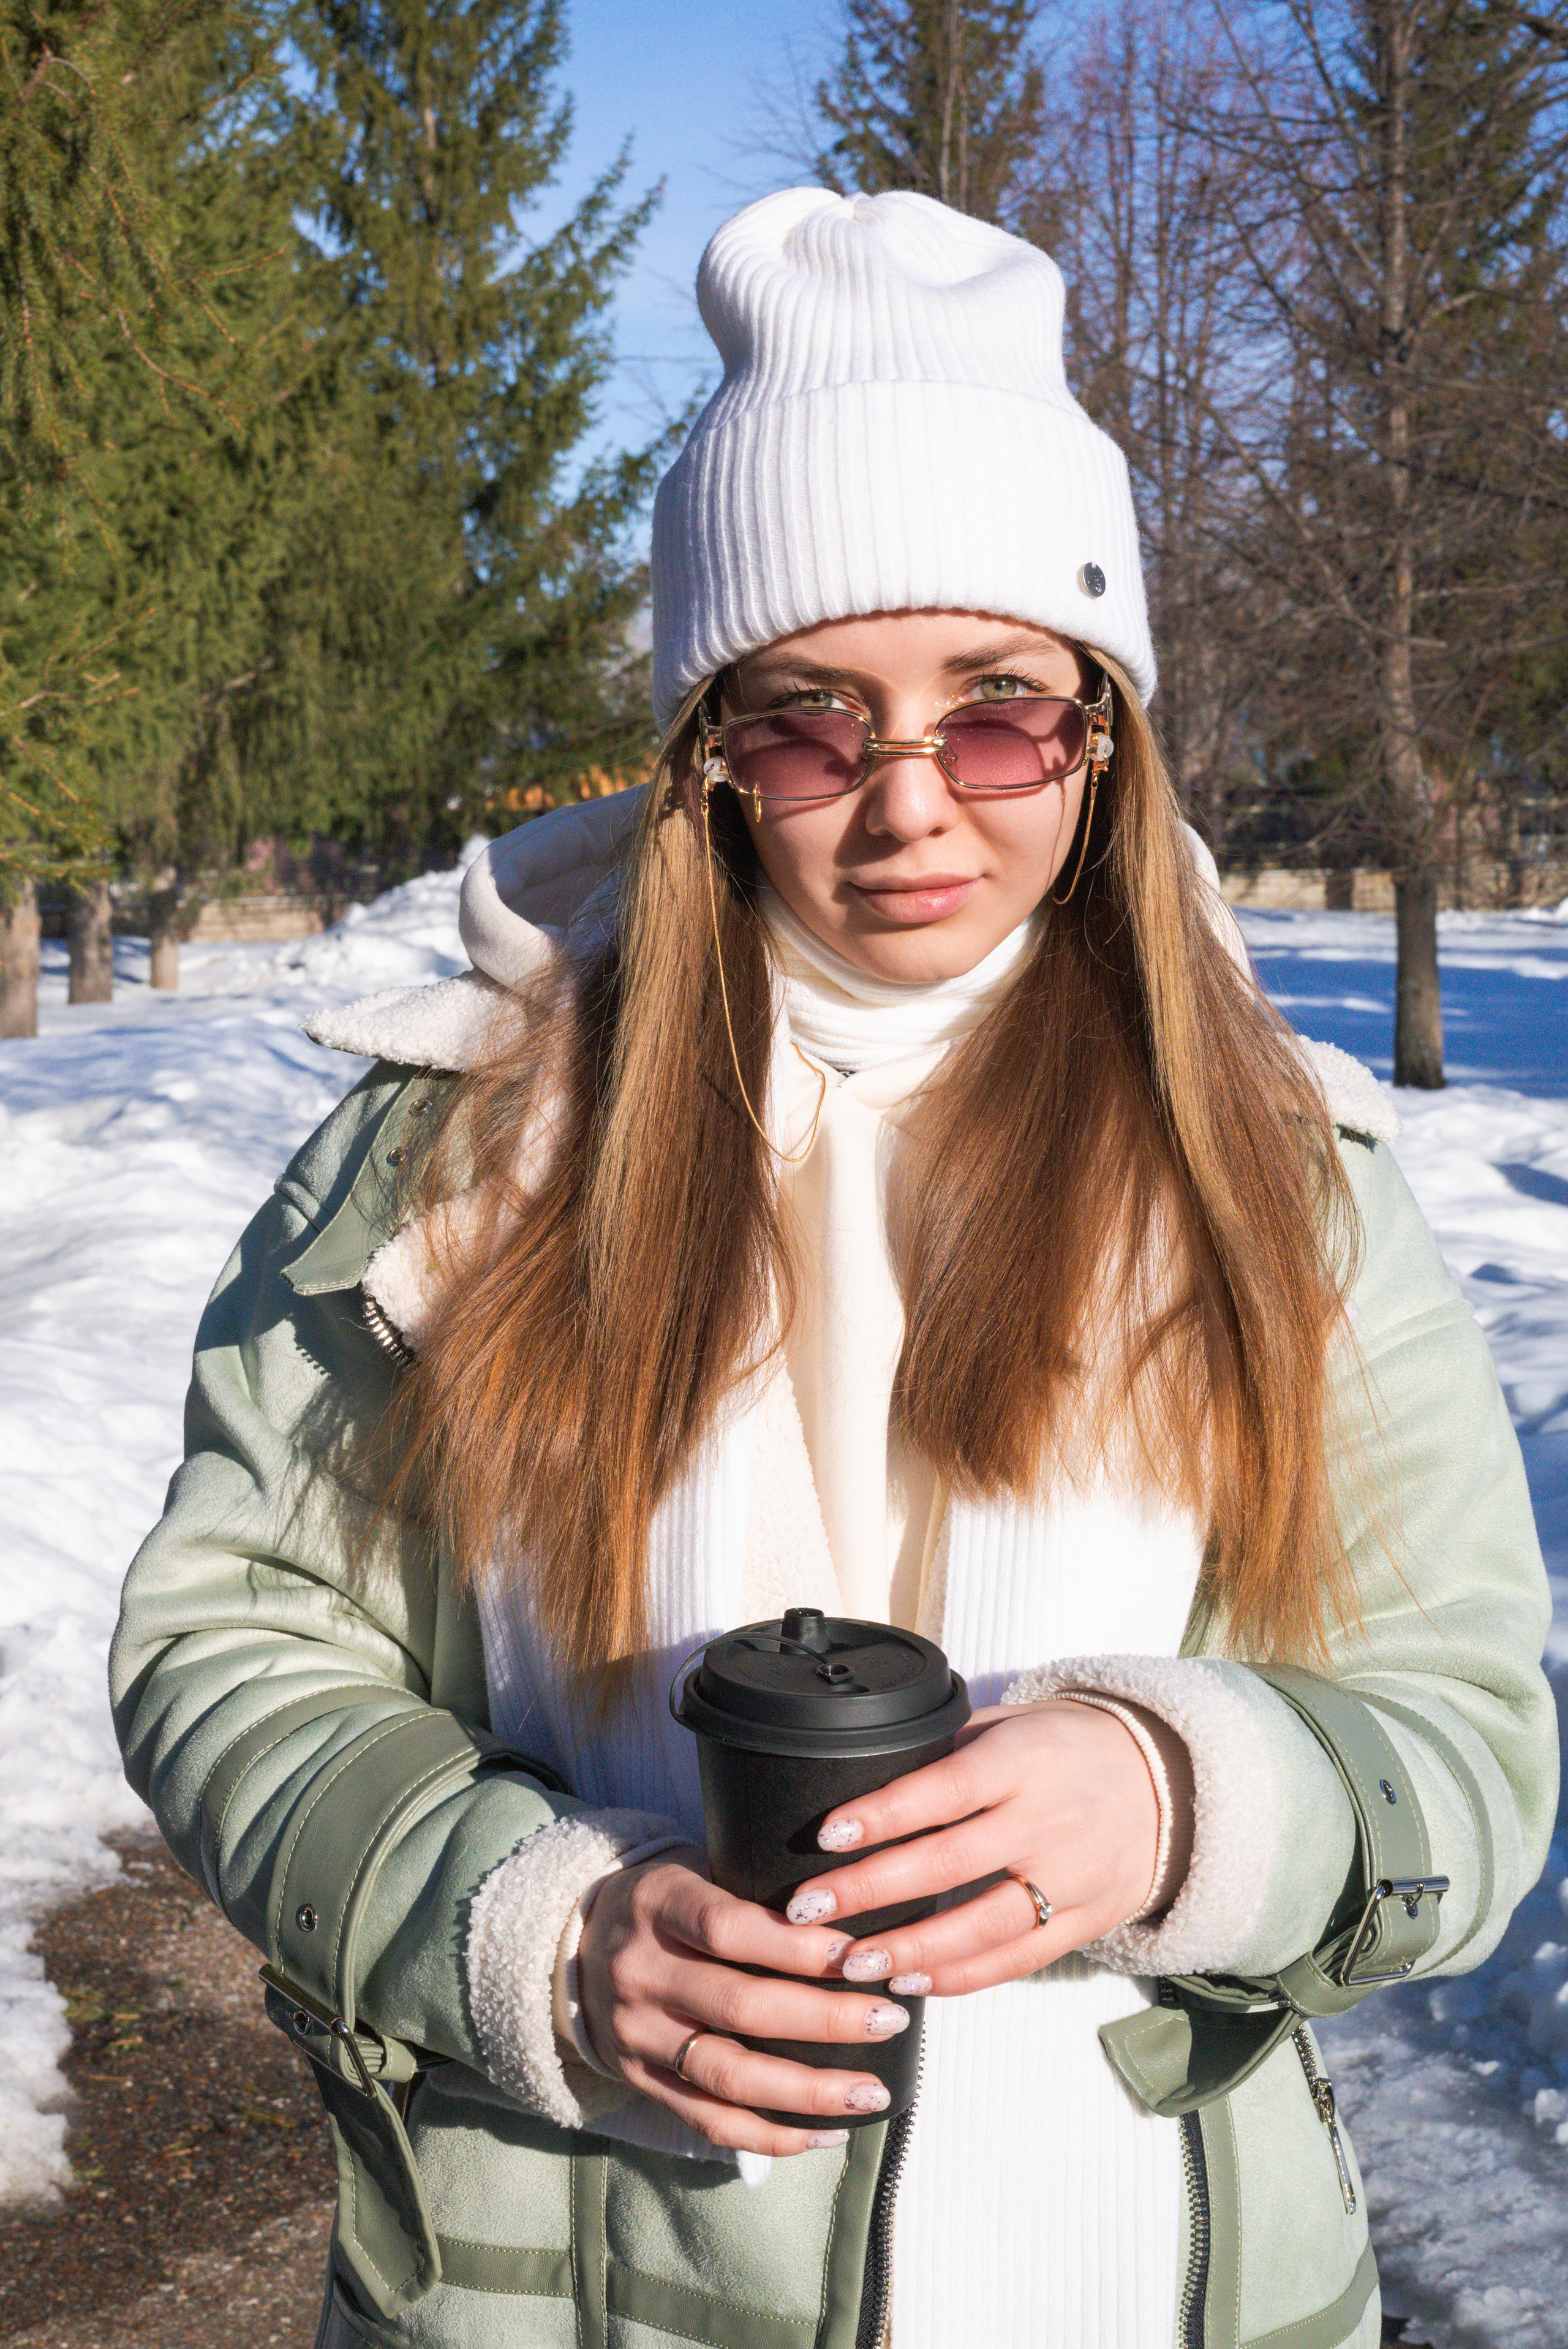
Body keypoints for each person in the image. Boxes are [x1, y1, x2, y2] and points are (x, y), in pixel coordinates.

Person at [111, 189, 1556, 2349]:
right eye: (805, 718)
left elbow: (1466, 1739)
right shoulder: (460, 1161)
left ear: (1104, 727)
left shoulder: (1283, 1190)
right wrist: (524, 1922)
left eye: (995, 708)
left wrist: (1185, 1802)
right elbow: (239, 1637)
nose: (910, 808)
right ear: (705, 757)